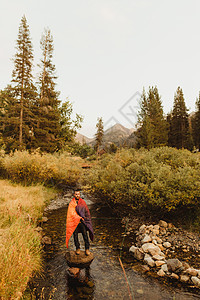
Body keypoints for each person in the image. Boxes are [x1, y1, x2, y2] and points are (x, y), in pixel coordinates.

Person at [66, 189, 94, 256]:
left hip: (82, 222)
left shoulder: (83, 202)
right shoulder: (71, 203)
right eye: (76, 194)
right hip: (74, 223)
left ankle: (87, 249)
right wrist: (78, 218)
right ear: (74, 195)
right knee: (75, 236)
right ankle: (77, 248)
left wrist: (86, 218)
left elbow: (86, 212)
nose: (77, 195)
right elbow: (71, 213)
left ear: (80, 194)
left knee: (85, 235)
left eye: (78, 194)